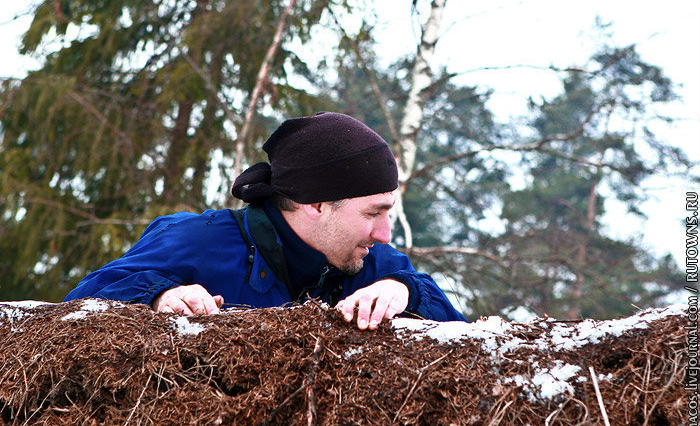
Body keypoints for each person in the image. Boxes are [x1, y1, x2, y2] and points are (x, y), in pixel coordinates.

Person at [64, 112, 467, 328]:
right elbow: (80, 301)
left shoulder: (374, 263)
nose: (384, 233)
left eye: (388, 211)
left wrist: (406, 292)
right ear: (317, 204)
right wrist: (158, 296)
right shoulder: (195, 239)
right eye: (373, 212)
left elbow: (470, 342)